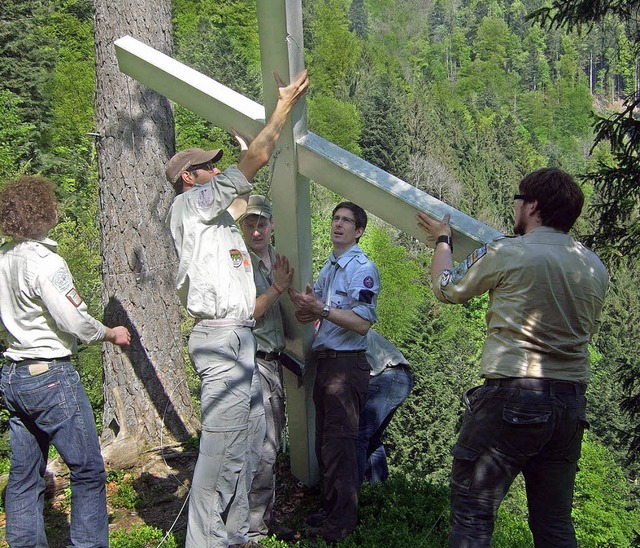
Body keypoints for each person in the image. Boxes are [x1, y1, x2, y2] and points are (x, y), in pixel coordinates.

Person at [415, 167, 609, 547]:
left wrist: (441, 241)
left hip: (513, 398)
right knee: (554, 524)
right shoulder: (594, 268)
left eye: (517, 201)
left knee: (473, 512)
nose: (515, 208)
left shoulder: (508, 251)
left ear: (532, 206)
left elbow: (447, 289)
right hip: (570, 405)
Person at [165, 70, 308, 548]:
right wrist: (282, 109)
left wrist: (249, 149)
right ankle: (204, 542)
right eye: (210, 168)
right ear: (191, 179)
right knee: (219, 447)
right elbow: (257, 160)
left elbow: (244, 194)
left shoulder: (214, 223)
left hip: (238, 335)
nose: (216, 173)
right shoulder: (190, 208)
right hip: (223, 340)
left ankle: (232, 535)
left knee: (242, 448)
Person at [0, 176, 132, 548]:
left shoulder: (3, 257)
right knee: (88, 470)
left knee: (24, 476)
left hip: (13, 374)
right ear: (42, 212)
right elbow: (73, 320)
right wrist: (110, 333)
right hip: (49, 376)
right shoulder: (45, 262)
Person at [288, 201, 380, 543]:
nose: (338, 225)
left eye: (346, 221)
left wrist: (322, 309)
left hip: (346, 365)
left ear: (358, 231)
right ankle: (330, 510)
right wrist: (305, 307)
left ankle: (341, 525)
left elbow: (361, 323)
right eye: (335, 218)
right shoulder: (330, 265)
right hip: (326, 362)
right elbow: (316, 315)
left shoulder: (362, 268)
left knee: (341, 446)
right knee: (326, 443)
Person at [239, 194, 295, 542]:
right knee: (263, 447)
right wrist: (278, 288)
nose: (256, 230)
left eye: (261, 223)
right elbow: (248, 311)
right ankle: (252, 530)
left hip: (277, 362)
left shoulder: (280, 259)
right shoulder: (239, 262)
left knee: (271, 446)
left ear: (272, 226)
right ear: (242, 227)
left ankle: (262, 521)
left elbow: (286, 307)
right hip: (253, 362)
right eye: (250, 224)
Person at [357, 329, 414, 485]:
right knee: (371, 437)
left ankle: (351, 495)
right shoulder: (348, 322)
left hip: (388, 376)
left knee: (358, 435)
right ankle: (378, 492)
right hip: (401, 377)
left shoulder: (338, 328)